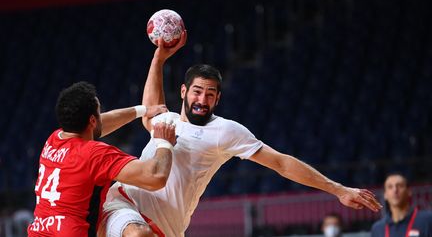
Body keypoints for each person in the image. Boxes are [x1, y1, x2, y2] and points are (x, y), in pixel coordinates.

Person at [98, 32, 382, 237]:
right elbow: (150, 109)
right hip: (124, 202)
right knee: (134, 232)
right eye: (197, 91)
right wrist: (158, 58)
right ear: (184, 92)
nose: (202, 99)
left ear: (217, 99)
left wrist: (338, 189)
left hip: (166, 226)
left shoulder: (226, 131)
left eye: (210, 94)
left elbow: (281, 163)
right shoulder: (167, 121)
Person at [27, 81, 177, 237]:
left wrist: (143, 110)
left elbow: (99, 125)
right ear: (92, 120)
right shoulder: (95, 154)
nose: (101, 117)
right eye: (99, 113)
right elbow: (155, 177)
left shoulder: (53, 140)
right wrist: (164, 143)